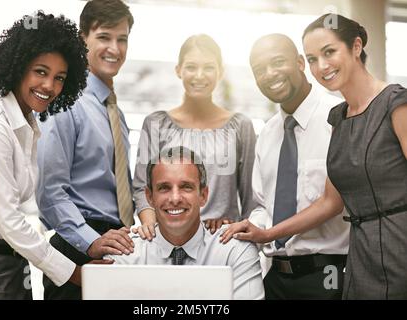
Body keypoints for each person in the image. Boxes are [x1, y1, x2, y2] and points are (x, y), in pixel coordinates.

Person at [223, 14, 407, 300]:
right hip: (323, 269)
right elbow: (322, 201)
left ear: (356, 47)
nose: (321, 66)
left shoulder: (387, 105)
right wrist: (262, 231)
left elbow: (334, 204)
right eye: (313, 58)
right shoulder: (338, 119)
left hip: (365, 261)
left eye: (329, 52)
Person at [0, 11, 101, 299]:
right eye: (40, 71)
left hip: (11, 263)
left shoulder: (28, 126)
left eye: (59, 78)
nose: (49, 86)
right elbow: (9, 220)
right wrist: (74, 273)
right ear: (19, 66)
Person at [220, 34, 348, 299]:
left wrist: (266, 232)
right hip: (276, 278)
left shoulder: (340, 117)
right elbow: (262, 205)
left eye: (278, 62)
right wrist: (248, 226)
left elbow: (334, 201)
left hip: (329, 276)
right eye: (259, 70)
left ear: (300, 62)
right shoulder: (267, 133)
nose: (269, 74)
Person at [36, 0, 135, 300]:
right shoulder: (66, 102)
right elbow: (50, 192)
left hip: (114, 242)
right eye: (104, 37)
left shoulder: (116, 113)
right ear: (83, 39)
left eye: (122, 39)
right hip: (78, 244)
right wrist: (90, 241)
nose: (114, 49)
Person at [132, 34, 257, 240]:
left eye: (208, 67)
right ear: (178, 70)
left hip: (222, 242)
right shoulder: (155, 124)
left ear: (220, 72)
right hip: (169, 240)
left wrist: (236, 232)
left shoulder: (240, 126)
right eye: (191, 67)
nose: (199, 75)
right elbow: (141, 188)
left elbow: (251, 199)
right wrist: (152, 228)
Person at [109, 146, 264, 300]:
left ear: (203, 195)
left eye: (186, 187)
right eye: (164, 188)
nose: (175, 198)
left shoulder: (236, 251)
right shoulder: (125, 252)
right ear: (150, 197)